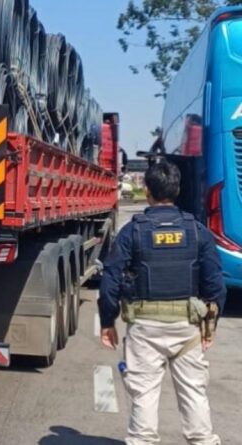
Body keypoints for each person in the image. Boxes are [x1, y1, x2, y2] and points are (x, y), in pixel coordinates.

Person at [98, 160, 226, 445]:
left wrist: (107, 322)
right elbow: (215, 285)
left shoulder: (132, 232)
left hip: (144, 329)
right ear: (177, 190)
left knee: (143, 393)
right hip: (188, 328)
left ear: (147, 191)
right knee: (194, 393)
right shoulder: (197, 231)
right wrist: (211, 326)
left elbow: (111, 279)